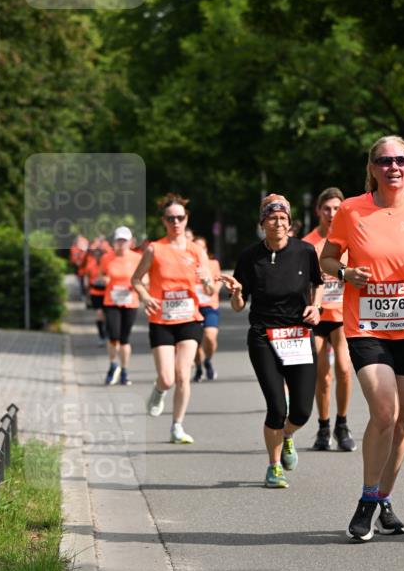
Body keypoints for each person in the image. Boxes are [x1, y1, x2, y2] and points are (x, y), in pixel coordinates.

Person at [321, 135, 404, 541]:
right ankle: (366, 501)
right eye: (385, 161)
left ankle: (383, 501)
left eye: (401, 160)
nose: (393, 167)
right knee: (384, 412)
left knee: (400, 424)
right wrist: (345, 274)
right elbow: (327, 259)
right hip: (367, 326)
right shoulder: (351, 210)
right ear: (372, 168)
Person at [223, 194, 323, 488]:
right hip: (263, 336)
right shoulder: (250, 257)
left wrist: (316, 307)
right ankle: (274, 466)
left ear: (289, 224)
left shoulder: (305, 251)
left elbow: (318, 283)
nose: (277, 223)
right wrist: (237, 294)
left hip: (298, 335)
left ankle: (288, 435)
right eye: (271, 218)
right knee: (277, 407)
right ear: (262, 223)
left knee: (302, 411)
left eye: (283, 219)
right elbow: (239, 305)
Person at [131, 193, 217, 444]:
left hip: (189, 318)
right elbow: (136, 279)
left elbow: (211, 291)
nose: (176, 222)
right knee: (167, 378)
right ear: (164, 221)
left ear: (186, 219)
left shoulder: (197, 250)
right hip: (162, 320)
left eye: (180, 217)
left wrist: (206, 280)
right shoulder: (154, 249)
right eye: (171, 218)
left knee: (182, 374)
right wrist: (146, 298)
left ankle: (177, 426)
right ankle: (159, 390)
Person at [304, 187, 356, 451]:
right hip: (317, 315)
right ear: (318, 211)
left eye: (337, 208)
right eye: (327, 208)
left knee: (345, 369)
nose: (332, 213)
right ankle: (323, 428)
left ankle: (342, 424)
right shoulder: (308, 243)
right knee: (322, 375)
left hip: (343, 316)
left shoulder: (350, 240)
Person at [100, 226, 140, 385]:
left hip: (130, 301)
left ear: (130, 242)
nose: (121, 243)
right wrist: (104, 280)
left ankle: (124, 370)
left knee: (124, 338)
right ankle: (112, 365)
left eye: (124, 240)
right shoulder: (106, 258)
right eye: (119, 240)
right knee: (113, 336)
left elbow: (145, 278)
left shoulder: (137, 258)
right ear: (114, 242)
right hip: (111, 301)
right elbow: (102, 274)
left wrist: (140, 284)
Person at [191, 235, 222, 382]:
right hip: (192, 308)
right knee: (195, 342)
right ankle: (198, 367)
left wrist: (213, 288)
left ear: (206, 249)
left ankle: (208, 360)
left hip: (210, 306)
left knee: (210, 336)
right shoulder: (187, 264)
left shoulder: (213, 263)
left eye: (202, 247)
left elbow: (219, 280)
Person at [82, 235, 113, 346]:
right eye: (96, 253)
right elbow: (86, 276)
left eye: (100, 254)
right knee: (99, 314)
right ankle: (102, 336)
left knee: (108, 315)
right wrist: (86, 289)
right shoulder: (90, 264)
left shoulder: (108, 265)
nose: (98, 255)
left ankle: (109, 334)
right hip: (95, 293)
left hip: (107, 293)